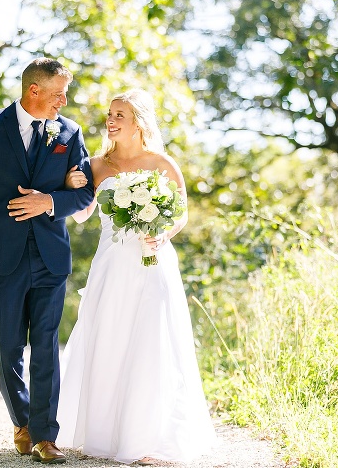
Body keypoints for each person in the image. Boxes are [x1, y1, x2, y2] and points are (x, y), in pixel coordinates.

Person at [57, 89, 216, 465]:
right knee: (109, 337)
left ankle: (147, 437)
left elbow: (181, 214)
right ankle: (106, 432)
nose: (111, 121)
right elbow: (81, 216)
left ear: (139, 122)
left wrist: (164, 233)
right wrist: (70, 187)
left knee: (151, 340)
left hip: (153, 261)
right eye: (110, 114)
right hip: (111, 264)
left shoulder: (161, 163)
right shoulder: (95, 165)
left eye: (120, 115)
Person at [0, 58, 94, 464]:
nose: (64, 102)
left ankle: (47, 436)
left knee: (46, 343)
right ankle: (23, 419)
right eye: (59, 93)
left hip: (51, 256)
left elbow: (84, 194)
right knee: (7, 343)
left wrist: (49, 201)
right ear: (34, 90)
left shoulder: (69, 132)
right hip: (3, 256)